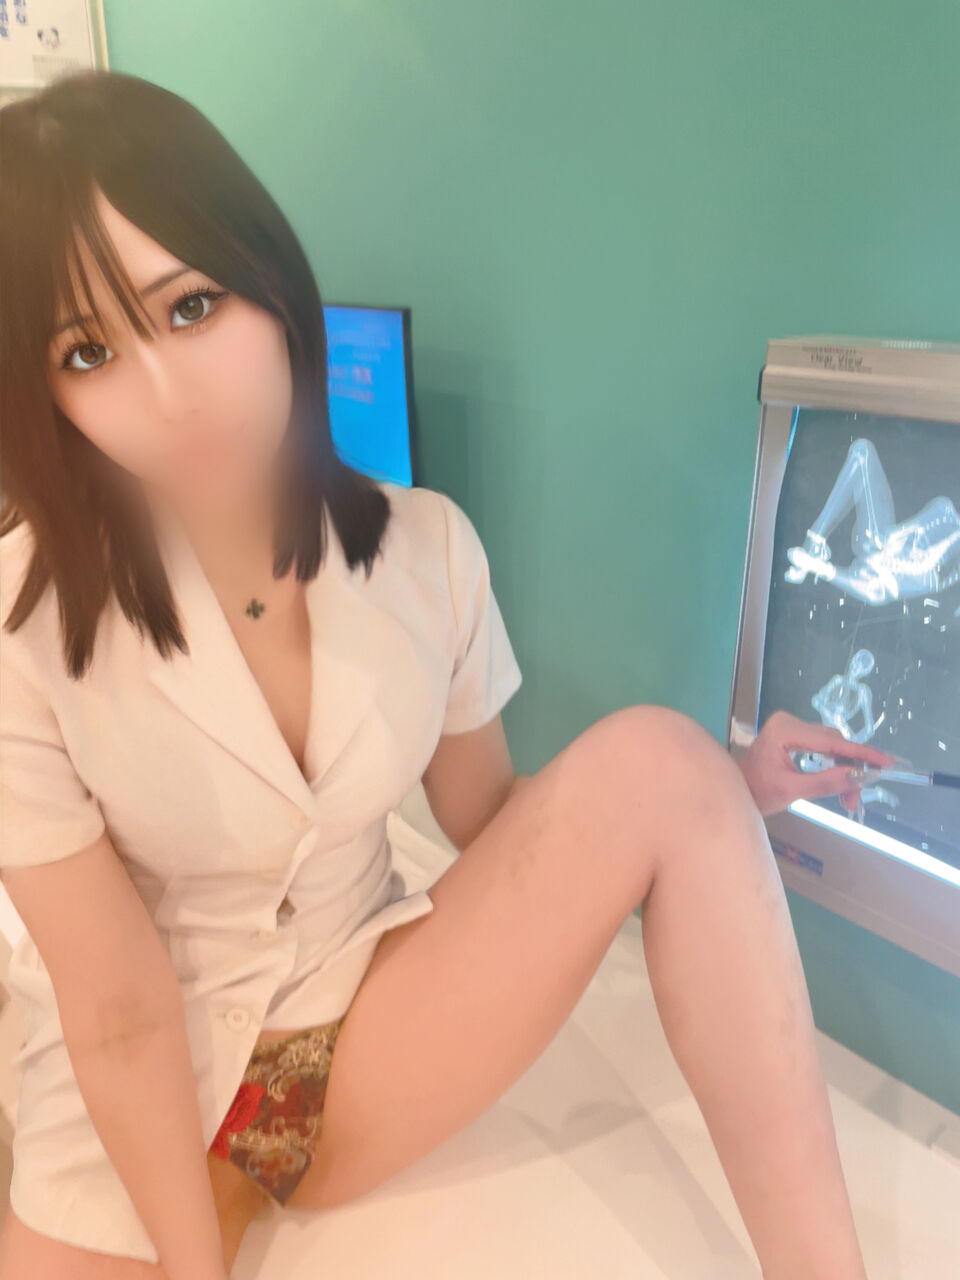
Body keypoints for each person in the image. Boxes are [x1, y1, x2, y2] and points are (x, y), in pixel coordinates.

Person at [0, 72, 891, 1280]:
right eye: (89, 349)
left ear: (270, 280)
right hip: (133, 1104)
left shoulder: (427, 550)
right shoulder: (21, 626)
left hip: (343, 1049)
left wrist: (726, 792)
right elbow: (115, 1010)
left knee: (661, 757)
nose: (168, 396)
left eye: (193, 305)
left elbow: (491, 820)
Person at [786, 437, 960, 604]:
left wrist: (823, 569)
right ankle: (814, 544)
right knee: (862, 451)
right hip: (879, 544)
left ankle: (819, 565)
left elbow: (923, 580)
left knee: (876, 589)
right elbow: (909, 529)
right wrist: (898, 538)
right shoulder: (946, 513)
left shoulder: (945, 571)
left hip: (882, 573)